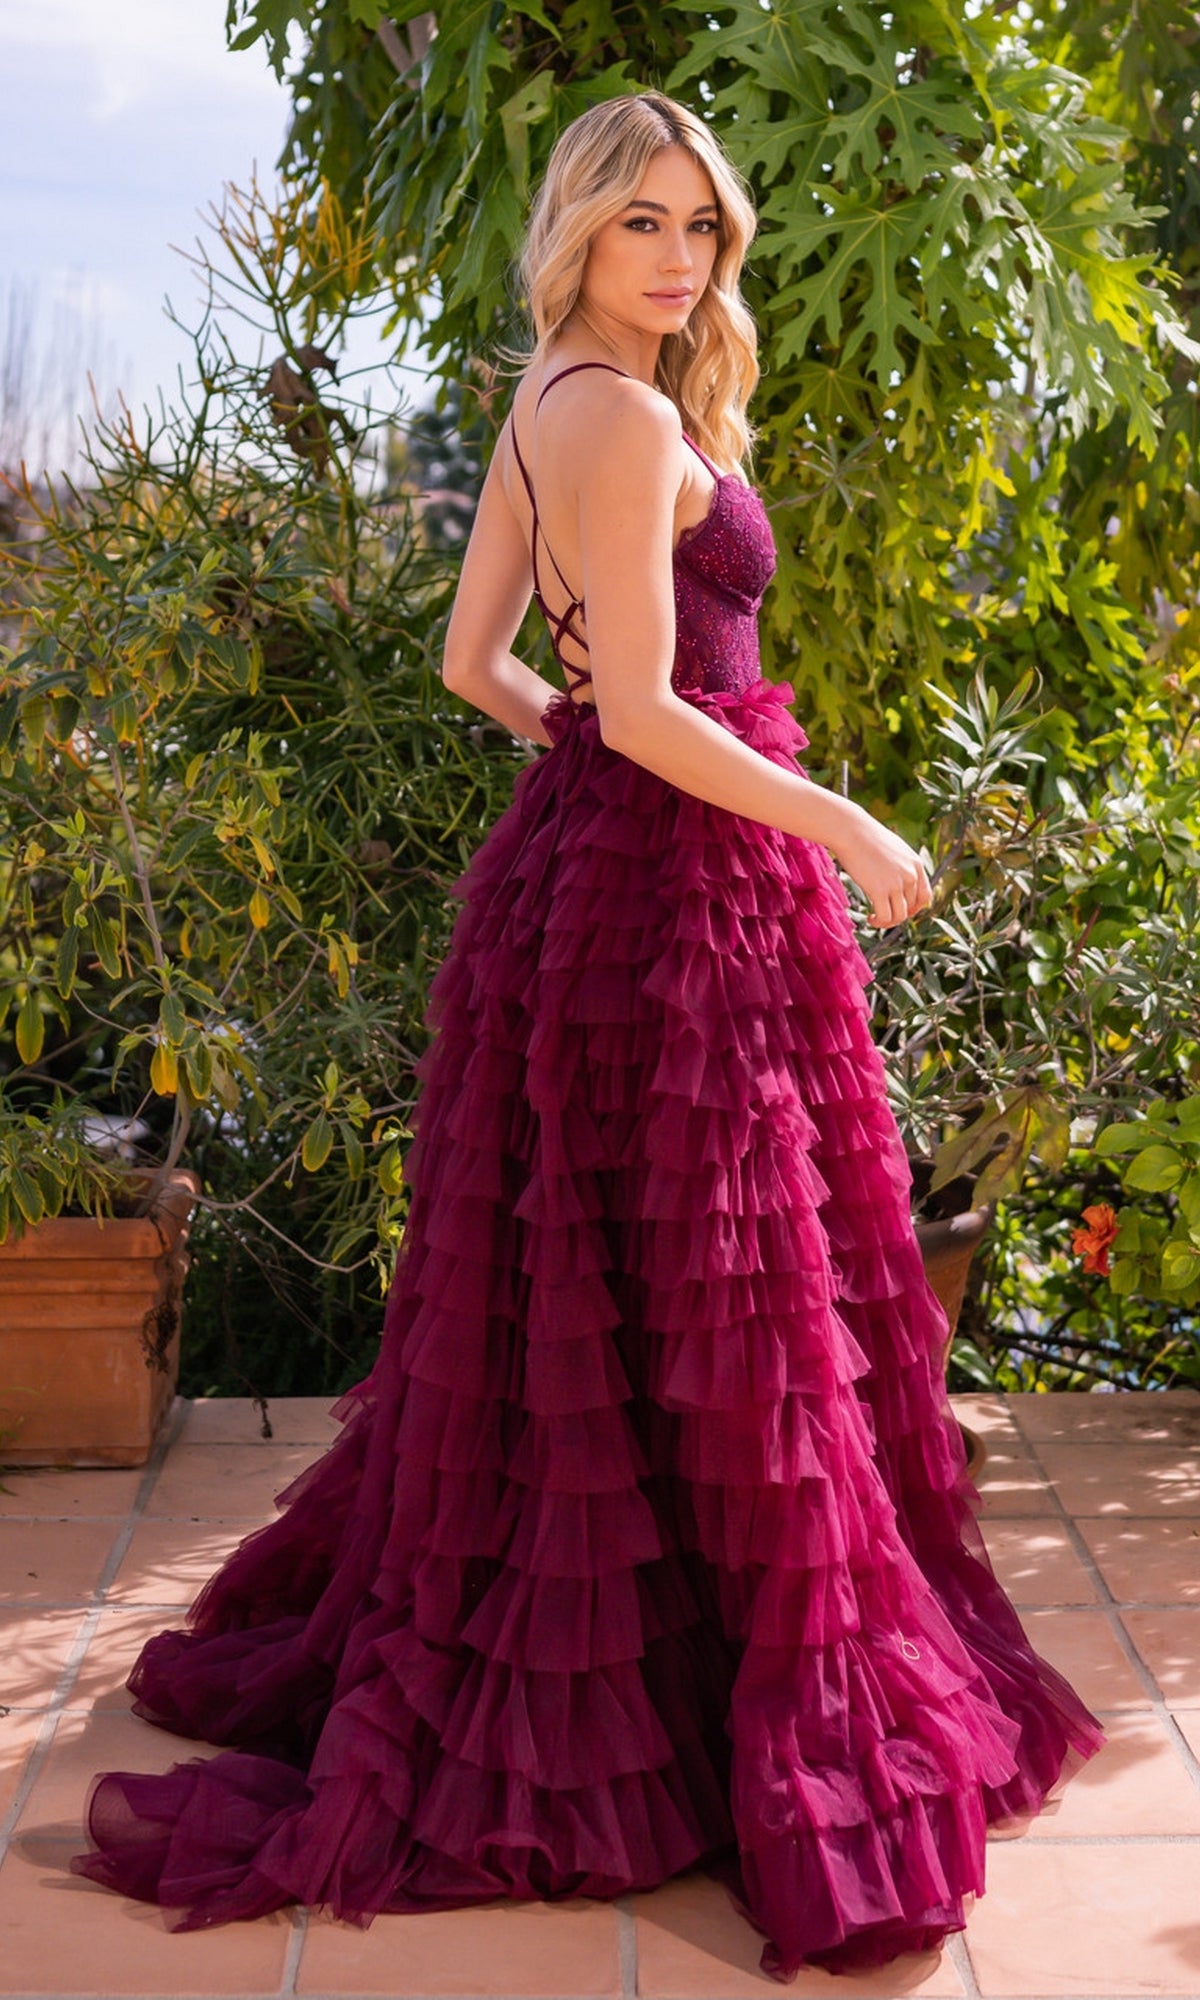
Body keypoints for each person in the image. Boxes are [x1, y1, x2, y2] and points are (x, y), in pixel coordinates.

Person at [71, 91, 1106, 1979]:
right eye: (642, 223)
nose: (680, 256)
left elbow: (489, 670)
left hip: (596, 883)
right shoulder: (620, 413)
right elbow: (633, 704)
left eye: (701, 226)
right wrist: (846, 822)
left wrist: (598, 778)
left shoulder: (555, 394)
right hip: (670, 902)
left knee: (628, 1294)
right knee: (721, 1299)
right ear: (578, 231)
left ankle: (657, 1697)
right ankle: (713, 1721)